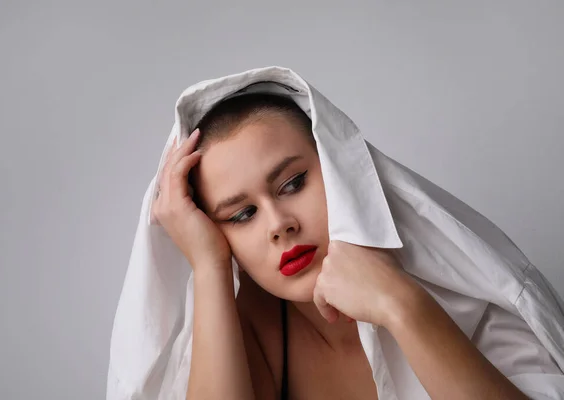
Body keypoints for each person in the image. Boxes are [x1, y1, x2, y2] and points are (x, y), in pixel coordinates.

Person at [108, 67, 564, 400]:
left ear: (342, 172)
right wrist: (208, 266)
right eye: (242, 214)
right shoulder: (249, 325)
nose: (279, 224)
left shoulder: (464, 295)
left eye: (292, 184)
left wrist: (401, 305)